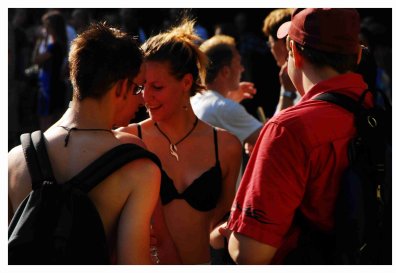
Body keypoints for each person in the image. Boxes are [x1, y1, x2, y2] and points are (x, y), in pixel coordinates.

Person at [221, 8, 367, 264]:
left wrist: (226, 236)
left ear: (294, 51)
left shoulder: (287, 131)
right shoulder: (380, 112)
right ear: (356, 55)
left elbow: (249, 255)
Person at [8, 23, 161, 264]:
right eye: (138, 87)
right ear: (121, 86)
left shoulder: (15, 159)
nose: (142, 100)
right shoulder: (138, 167)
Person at [118, 19, 242, 264]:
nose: (146, 97)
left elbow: (221, 224)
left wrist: (228, 229)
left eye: (156, 86)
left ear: (186, 83)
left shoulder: (226, 146)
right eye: (141, 87)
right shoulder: (128, 140)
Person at [191, 35, 263, 150]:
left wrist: (228, 99)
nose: (242, 69)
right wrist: (287, 92)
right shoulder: (225, 108)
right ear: (225, 72)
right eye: (238, 62)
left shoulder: (194, 100)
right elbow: (274, 139)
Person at [32, 10, 69, 131]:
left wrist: (40, 40)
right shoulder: (59, 45)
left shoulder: (54, 47)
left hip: (50, 86)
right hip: (51, 85)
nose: (44, 29)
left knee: (46, 122)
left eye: (46, 25)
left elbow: (36, 59)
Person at [262, 8, 299, 113]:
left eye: (270, 43)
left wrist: (287, 93)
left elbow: (279, 126)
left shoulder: (296, 75)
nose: (271, 49)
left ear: (282, 43)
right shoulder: (287, 75)